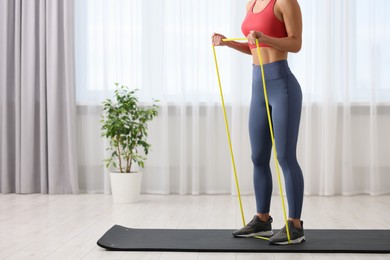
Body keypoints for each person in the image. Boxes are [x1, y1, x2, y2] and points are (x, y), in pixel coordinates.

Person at [212, 0, 304, 245]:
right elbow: (254, 47)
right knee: (258, 157)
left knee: (285, 157)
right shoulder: (250, 4)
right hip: (258, 87)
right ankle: (262, 219)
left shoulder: (285, 2)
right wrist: (228, 43)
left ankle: (295, 226)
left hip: (282, 85)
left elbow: (296, 43)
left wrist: (267, 38)